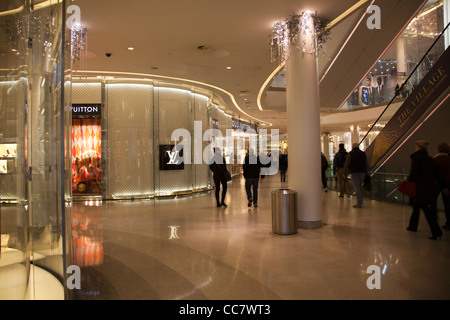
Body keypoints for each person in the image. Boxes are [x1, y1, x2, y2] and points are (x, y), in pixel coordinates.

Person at [406, 140, 443, 240]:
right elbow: (437, 174)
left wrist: (409, 180)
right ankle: (413, 226)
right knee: (419, 208)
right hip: (428, 188)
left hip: (419, 189)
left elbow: (414, 174)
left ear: (417, 147)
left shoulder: (416, 159)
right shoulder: (430, 159)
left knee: (424, 210)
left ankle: (436, 231)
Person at [343, 143, 368, 208]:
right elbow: (366, 163)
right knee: (360, 186)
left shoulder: (350, 154)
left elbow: (347, 163)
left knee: (357, 187)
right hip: (362, 172)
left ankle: (359, 203)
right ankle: (360, 201)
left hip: (354, 172)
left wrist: (344, 172)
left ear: (352, 147)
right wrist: (366, 172)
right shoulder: (363, 153)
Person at [434, 142, 450, 230]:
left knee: (433, 202)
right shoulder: (448, 159)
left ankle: (434, 221)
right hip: (448, 184)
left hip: (437, 184)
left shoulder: (436, 159)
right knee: (448, 204)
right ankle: (449, 222)